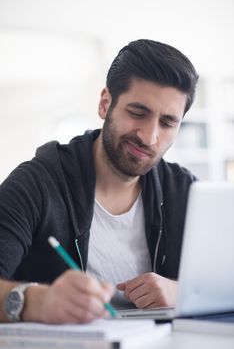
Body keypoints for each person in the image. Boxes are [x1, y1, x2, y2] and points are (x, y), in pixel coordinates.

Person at [0, 39, 198, 324]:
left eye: (167, 123)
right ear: (106, 103)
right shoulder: (36, 184)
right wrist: (36, 302)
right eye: (137, 113)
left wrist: (183, 292)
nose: (149, 137)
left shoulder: (187, 192)